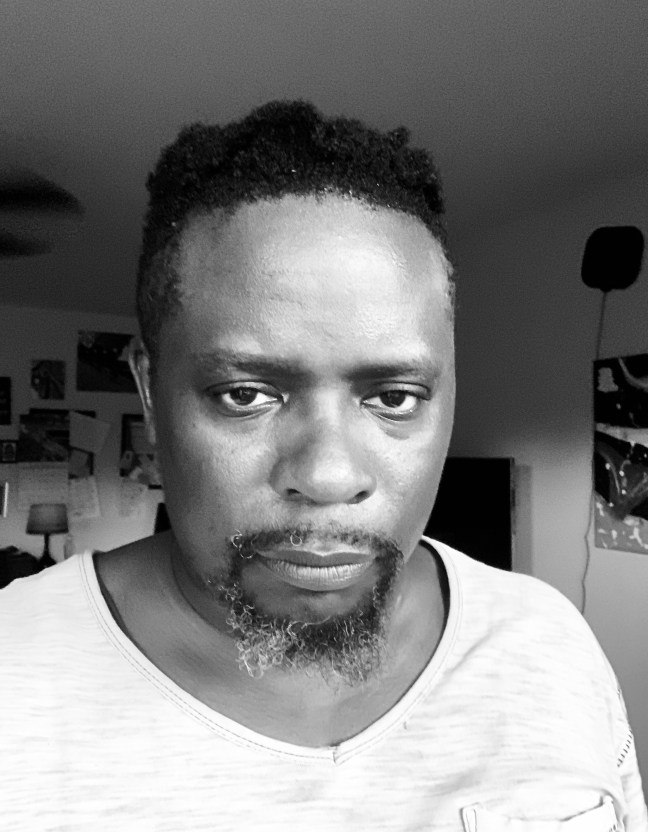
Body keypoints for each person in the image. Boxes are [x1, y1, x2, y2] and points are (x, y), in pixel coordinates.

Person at [0, 101, 646, 831]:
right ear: (150, 393)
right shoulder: (12, 674)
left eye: (394, 397)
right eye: (246, 395)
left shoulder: (550, 644)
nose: (330, 476)